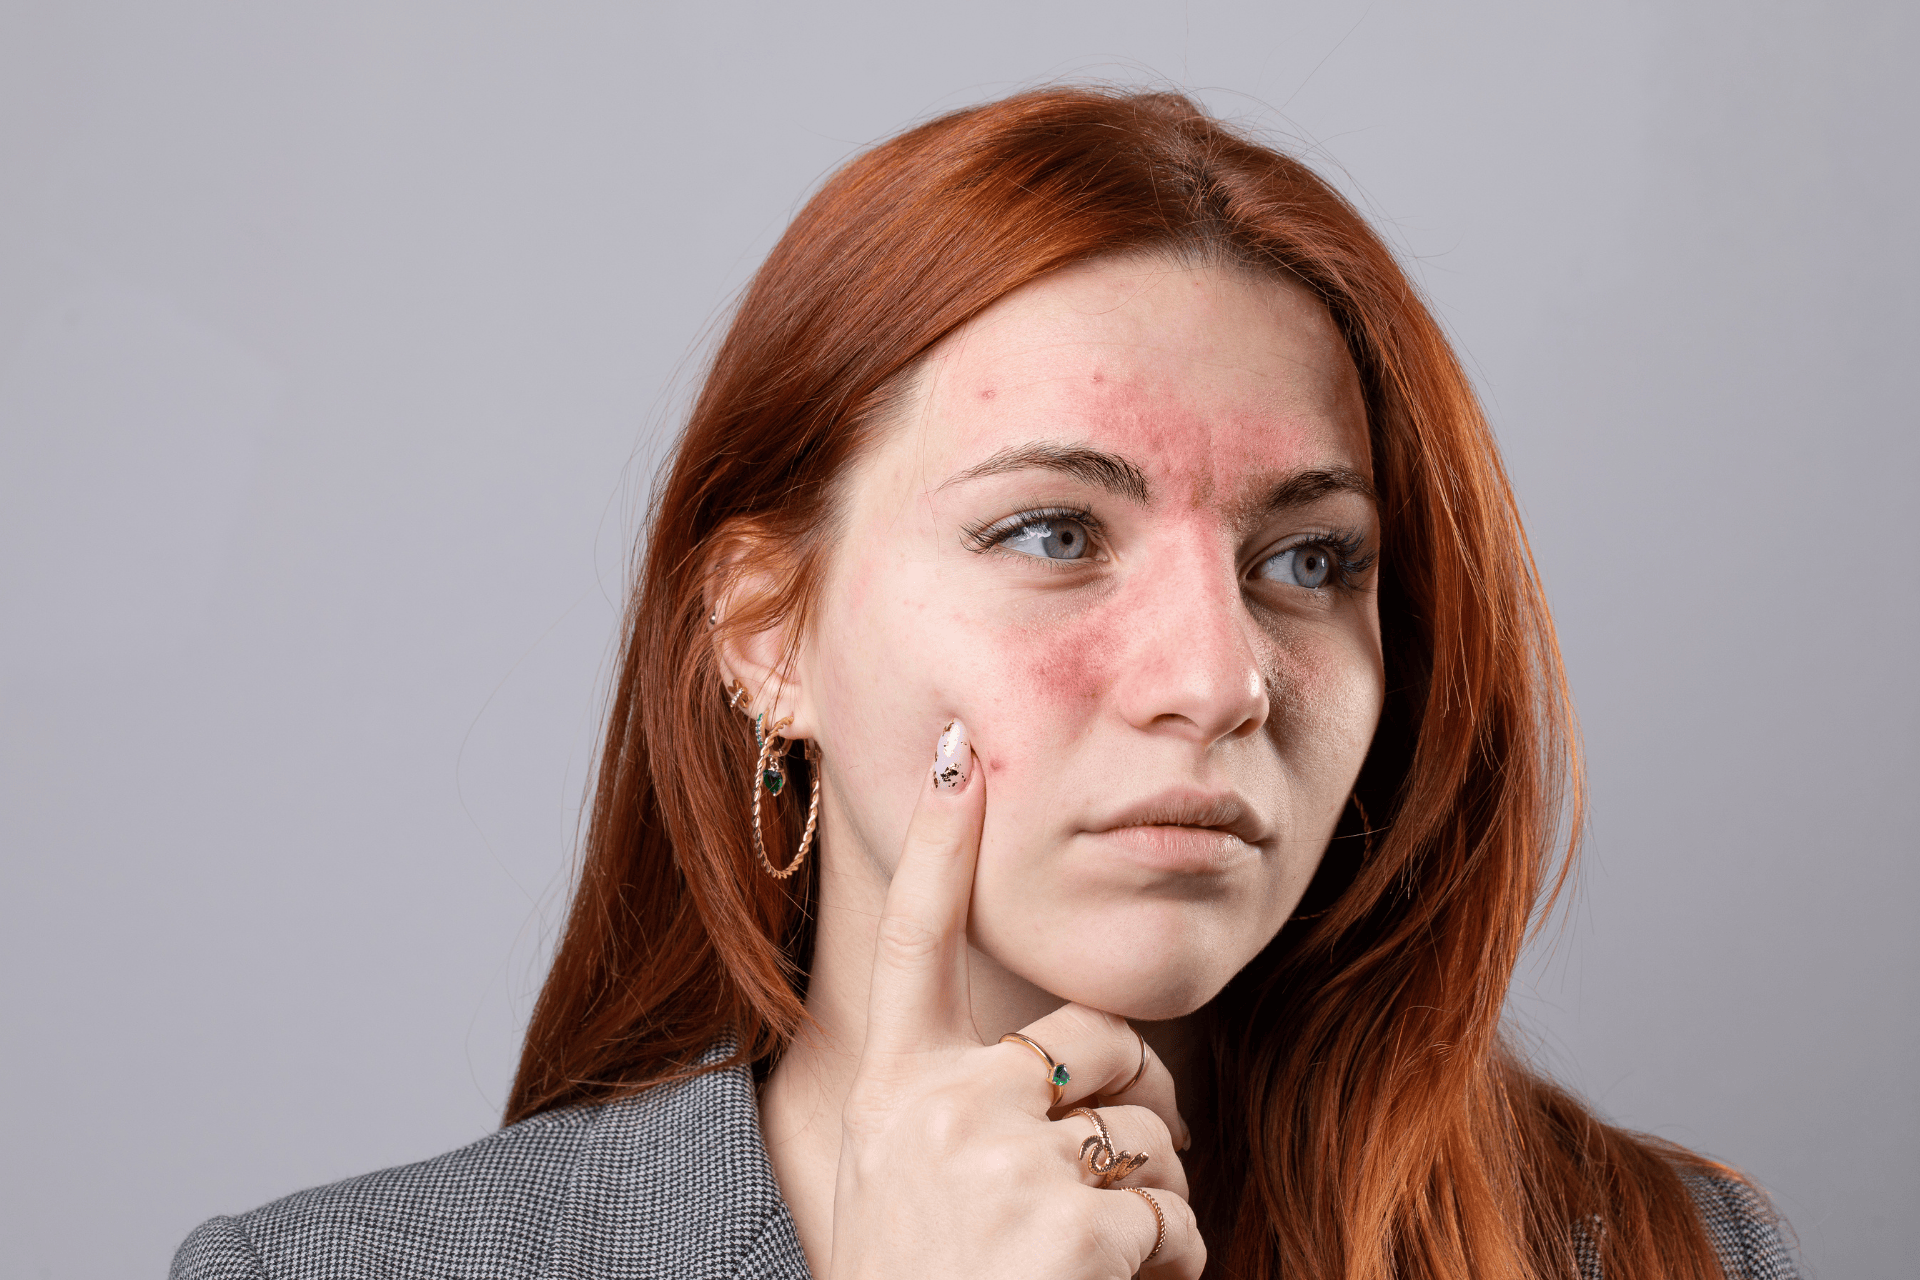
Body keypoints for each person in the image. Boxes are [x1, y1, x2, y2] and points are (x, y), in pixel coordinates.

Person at [172, 87, 1800, 1280]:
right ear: (765, 635)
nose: (1218, 676)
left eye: (1311, 561)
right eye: (1050, 532)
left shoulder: (1669, 1255)